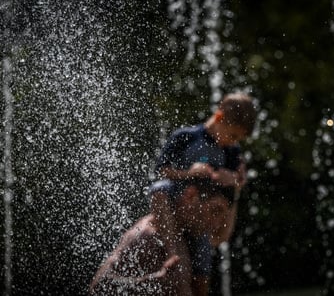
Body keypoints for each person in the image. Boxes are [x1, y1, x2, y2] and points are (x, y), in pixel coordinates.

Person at [149, 92, 257, 295]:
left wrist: (234, 180)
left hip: (203, 213)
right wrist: (188, 173)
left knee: (201, 275)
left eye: (239, 139)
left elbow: (235, 185)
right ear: (219, 117)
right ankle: (172, 252)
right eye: (233, 135)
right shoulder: (186, 137)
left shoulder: (231, 152)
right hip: (177, 194)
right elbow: (161, 170)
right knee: (158, 189)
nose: (234, 142)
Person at [89, 180, 233, 296]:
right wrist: (152, 282)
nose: (217, 223)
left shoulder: (185, 238)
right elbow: (99, 285)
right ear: (190, 195)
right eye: (215, 211)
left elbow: (221, 237)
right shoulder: (149, 234)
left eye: (222, 217)